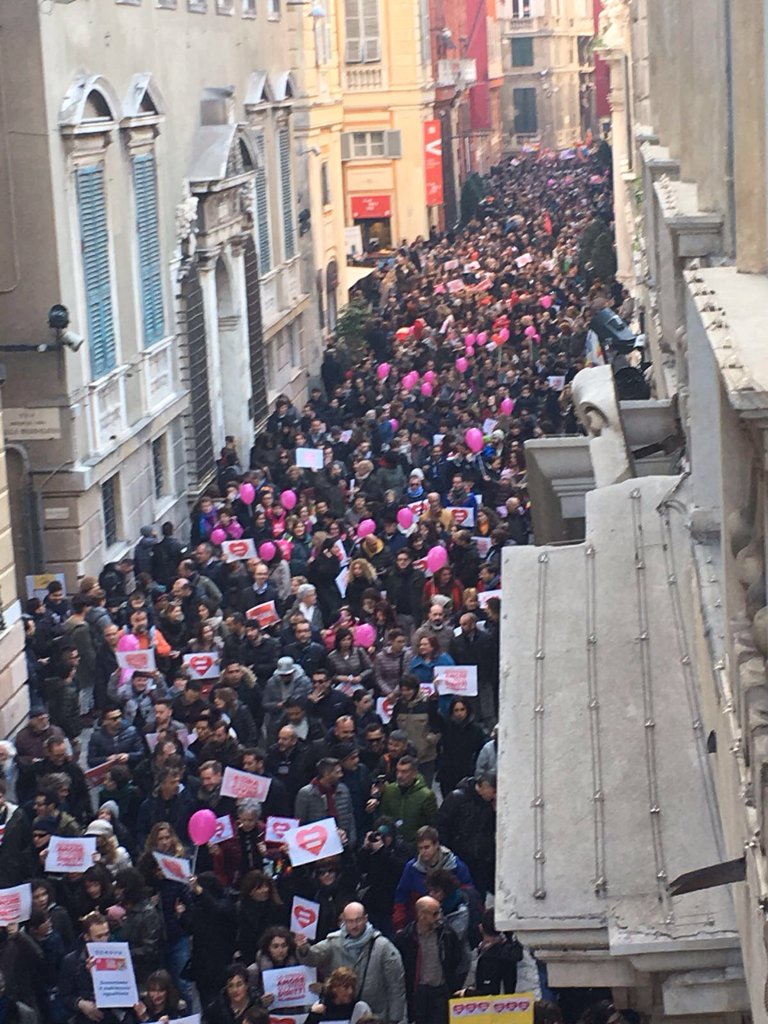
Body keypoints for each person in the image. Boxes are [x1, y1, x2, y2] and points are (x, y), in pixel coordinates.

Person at [296, 902, 407, 1024]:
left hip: (376, 1015)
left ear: (366, 919)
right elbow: (312, 958)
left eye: (358, 920)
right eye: (350, 921)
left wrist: (396, 1019)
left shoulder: (383, 947)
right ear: (343, 921)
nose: (354, 925)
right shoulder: (333, 943)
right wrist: (303, 948)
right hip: (343, 1015)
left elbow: (396, 986)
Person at [394, 896, 462, 1024]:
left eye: (439, 912)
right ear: (421, 915)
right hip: (418, 992)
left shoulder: (447, 934)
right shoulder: (405, 938)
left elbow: (456, 958)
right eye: (435, 914)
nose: (439, 917)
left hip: (441, 990)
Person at [392, 825, 474, 930]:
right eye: (420, 848)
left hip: (452, 923)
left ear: (436, 845)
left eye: (427, 847)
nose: (423, 852)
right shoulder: (411, 869)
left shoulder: (456, 866)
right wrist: (399, 925)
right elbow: (401, 897)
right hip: (420, 923)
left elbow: (469, 894)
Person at [435, 773, 497, 897]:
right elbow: (441, 825)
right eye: (493, 791)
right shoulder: (457, 799)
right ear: (484, 786)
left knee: (478, 897)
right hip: (458, 858)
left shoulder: (490, 804)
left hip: (481, 860)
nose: (495, 796)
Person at [376, 755, 437, 853]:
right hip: (392, 845)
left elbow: (432, 823)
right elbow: (384, 816)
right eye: (398, 771)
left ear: (414, 774)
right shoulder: (389, 790)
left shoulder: (426, 795)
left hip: (415, 846)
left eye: (404, 772)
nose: (399, 775)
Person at [458, 909, 522, 996]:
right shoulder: (508, 950)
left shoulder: (492, 956)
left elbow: (488, 991)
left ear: (481, 927)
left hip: (494, 1004)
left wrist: (466, 993)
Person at [295, 757, 357, 848]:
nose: (341, 775)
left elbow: (350, 816)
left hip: (343, 842)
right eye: (337, 772)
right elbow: (300, 822)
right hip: (317, 845)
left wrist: (352, 840)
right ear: (326, 774)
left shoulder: (343, 789)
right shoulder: (306, 793)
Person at [306, 967, 371, 1024]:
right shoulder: (319, 1007)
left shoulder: (359, 1008)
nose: (350, 991)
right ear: (334, 988)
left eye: (352, 987)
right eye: (346, 987)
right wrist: (313, 1016)